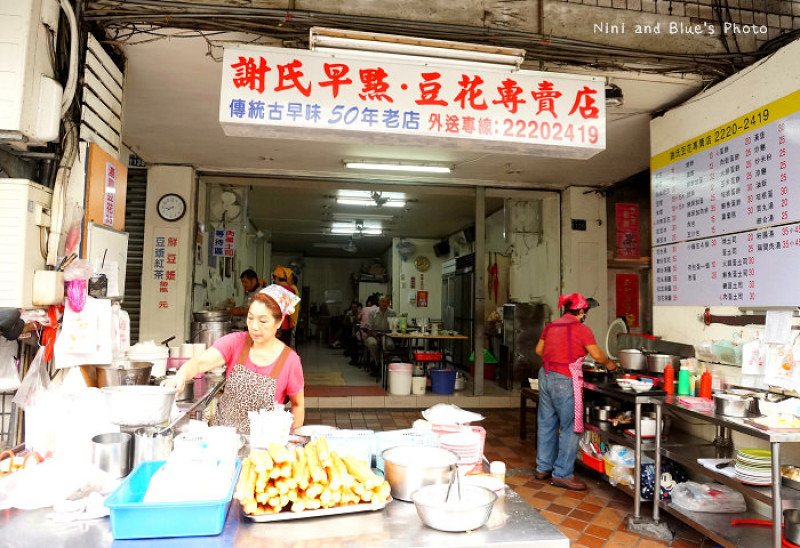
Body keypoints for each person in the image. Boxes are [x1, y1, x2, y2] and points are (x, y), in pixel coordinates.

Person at [164, 284, 304, 432]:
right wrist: (180, 376)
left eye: (263, 321)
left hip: (263, 444)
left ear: (279, 321)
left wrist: (292, 438)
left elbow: (298, 405)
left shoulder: (290, 360)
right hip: (224, 439)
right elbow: (199, 363)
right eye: (250, 318)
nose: (254, 327)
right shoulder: (235, 342)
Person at [534, 292, 617, 491]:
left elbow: (539, 351)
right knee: (570, 427)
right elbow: (597, 355)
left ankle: (542, 468)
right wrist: (610, 364)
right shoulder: (582, 329)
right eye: (585, 312)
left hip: (545, 376)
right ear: (580, 311)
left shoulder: (551, 326)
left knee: (546, 423)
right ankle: (562, 474)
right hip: (565, 380)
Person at [365, 295, 396, 369]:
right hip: (373, 335)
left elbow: (395, 326)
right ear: (379, 302)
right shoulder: (372, 313)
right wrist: (376, 336)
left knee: (390, 345)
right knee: (373, 343)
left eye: (387, 302)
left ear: (389, 303)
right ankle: (377, 363)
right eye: (383, 301)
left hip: (387, 335)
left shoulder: (392, 313)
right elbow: (368, 329)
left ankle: (387, 364)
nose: (385, 303)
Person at [271, 266, 298, 347]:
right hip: (289, 325)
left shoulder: (277, 290)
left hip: (279, 327)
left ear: (277, 278)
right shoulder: (293, 290)